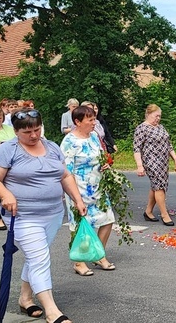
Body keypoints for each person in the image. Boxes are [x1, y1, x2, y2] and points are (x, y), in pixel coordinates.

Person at [0, 107, 86, 323]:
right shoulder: (7, 150)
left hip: (52, 214)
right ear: (15, 131)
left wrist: (77, 199)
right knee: (40, 258)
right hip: (22, 215)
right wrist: (6, 195)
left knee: (35, 257)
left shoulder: (51, 147)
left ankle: (25, 298)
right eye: (27, 132)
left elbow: (65, 175)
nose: (33, 135)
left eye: (37, 130)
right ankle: (52, 312)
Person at [61, 106, 117, 276]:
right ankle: (79, 262)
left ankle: (98, 254)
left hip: (98, 185)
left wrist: (105, 164)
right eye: (90, 120)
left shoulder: (94, 136)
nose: (94, 123)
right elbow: (65, 171)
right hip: (78, 188)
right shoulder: (69, 142)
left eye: (94, 119)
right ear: (78, 122)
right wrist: (74, 195)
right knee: (81, 224)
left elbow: (101, 156)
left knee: (107, 219)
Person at [133, 104, 176, 226]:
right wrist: (140, 166)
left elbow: (169, 145)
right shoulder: (141, 128)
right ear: (148, 114)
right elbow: (137, 148)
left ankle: (148, 211)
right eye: (156, 116)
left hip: (163, 161)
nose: (158, 118)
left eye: (159, 116)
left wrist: (175, 159)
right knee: (159, 186)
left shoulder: (161, 127)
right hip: (151, 161)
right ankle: (165, 214)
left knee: (158, 186)